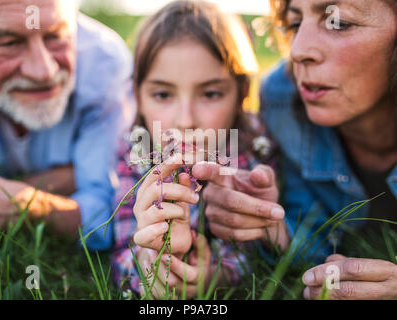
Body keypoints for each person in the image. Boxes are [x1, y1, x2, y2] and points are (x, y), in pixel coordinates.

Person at [110, 0, 286, 299]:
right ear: (137, 94)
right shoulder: (135, 152)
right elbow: (124, 246)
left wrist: (216, 276)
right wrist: (151, 265)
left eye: (210, 93)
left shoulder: (254, 145)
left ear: (242, 92)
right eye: (163, 94)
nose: (186, 119)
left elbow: (254, 249)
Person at [260, 0, 397, 299]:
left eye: (338, 22)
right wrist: (268, 225)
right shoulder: (282, 99)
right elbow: (313, 241)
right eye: (295, 24)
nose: (297, 50)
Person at [0, 0, 135, 250]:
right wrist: (67, 178)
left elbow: (111, 210)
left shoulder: (104, 63)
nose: (44, 72)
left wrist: (23, 202)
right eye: (9, 43)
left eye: (56, 36)